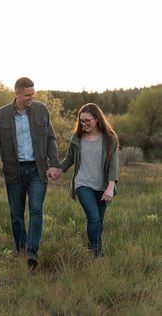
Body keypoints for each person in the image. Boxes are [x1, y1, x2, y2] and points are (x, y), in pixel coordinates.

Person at [0, 77, 60, 269]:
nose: (31, 98)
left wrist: (54, 164)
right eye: (27, 95)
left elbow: (51, 139)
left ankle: (31, 253)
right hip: (14, 171)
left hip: (37, 169)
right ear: (17, 94)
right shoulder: (2, 115)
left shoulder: (41, 110)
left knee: (36, 210)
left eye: (33, 94)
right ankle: (21, 251)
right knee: (16, 214)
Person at [54, 103, 119, 257]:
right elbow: (70, 158)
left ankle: (92, 250)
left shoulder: (110, 138)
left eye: (87, 121)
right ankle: (97, 255)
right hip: (83, 183)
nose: (83, 124)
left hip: (103, 186)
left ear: (97, 118)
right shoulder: (77, 137)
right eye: (81, 121)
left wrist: (110, 187)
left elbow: (113, 164)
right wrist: (59, 170)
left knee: (99, 222)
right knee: (94, 218)